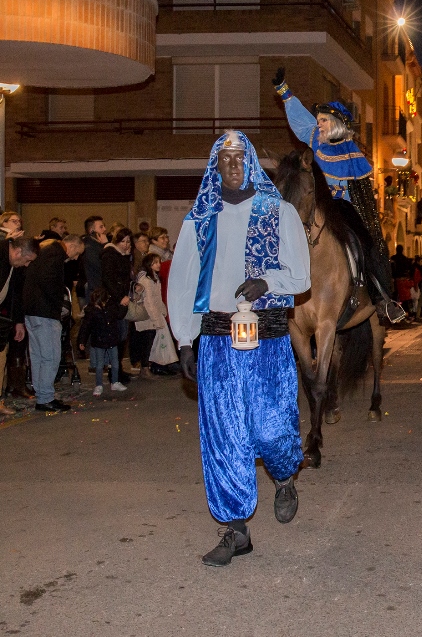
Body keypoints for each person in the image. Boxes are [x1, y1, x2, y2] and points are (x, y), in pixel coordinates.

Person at [168, 130, 310, 567]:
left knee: (271, 429)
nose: (232, 165)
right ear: (215, 166)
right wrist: (185, 340)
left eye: (239, 158)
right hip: (215, 341)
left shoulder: (278, 211)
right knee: (223, 437)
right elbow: (183, 282)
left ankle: (284, 475)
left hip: (265, 338)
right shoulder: (199, 219)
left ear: (249, 162)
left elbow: (300, 277)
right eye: (224, 159)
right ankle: (235, 530)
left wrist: (268, 281)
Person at [272, 68, 402, 322]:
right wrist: (284, 92)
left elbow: (357, 188)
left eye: (323, 121)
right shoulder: (314, 139)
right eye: (318, 120)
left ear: (336, 125)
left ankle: (383, 299)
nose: (318, 124)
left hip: (342, 205)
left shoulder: (351, 151)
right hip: (316, 203)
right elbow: (299, 119)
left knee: (367, 242)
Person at [23, 234, 85, 412]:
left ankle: (42, 394)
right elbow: (48, 280)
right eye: (77, 253)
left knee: (37, 356)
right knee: (50, 356)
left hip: (33, 311)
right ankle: (45, 398)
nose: (75, 258)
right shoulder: (55, 253)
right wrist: (59, 304)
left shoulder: (45, 250)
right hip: (45, 312)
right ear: (71, 246)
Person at [0, 237, 38, 414]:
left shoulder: (15, 266)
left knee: (1, 360)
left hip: (3, 318)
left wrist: (19, 322)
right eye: (27, 260)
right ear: (17, 252)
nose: (27, 264)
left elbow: (15, 294)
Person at [76, 287, 128, 396]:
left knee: (115, 362)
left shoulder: (110, 307)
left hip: (112, 340)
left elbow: (119, 315)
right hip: (99, 341)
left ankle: (115, 382)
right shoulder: (91, 311)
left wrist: (124, 306)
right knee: (99, 364)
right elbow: (85, 327)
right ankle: (99, 385)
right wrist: (82, 341)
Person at [134, 252, 178, 375]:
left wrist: (162, 310)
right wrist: (155, 318)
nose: (159, 265)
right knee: (148, 342)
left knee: (156, 342)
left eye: (159, 262)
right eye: (155, 262)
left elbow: (157, 299)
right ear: (149, 264)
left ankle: (156, 365)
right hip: (149, 317)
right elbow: (148, 301)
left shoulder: (154, 278)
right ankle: (145, 367)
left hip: (155, 314)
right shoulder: (146, 280)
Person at [102, 227, 134, 383]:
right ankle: (114, 372)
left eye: (128, 241)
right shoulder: (110, 255)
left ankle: (118, 369)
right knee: (117, 336)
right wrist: (120, 296)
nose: (126, 245)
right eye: (123, 241)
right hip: (114, 301)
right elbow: (108, 279)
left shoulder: (124, 256)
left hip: (122, 300)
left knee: (122, 336)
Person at [82, 215, 107, 302]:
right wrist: (106, 245)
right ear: (91, 230)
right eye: (101, 227)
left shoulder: (97, 246)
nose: (104, 229)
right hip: (96, 290)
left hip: (101, 288)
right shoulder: (89, 247)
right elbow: (103, 266)